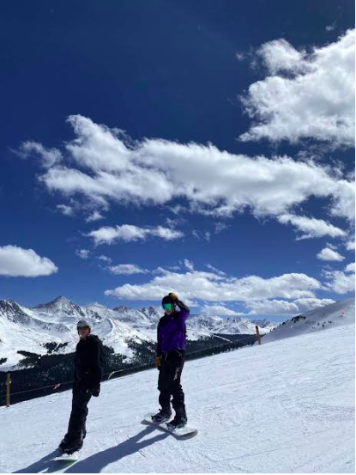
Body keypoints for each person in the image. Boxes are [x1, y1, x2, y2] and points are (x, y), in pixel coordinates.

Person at [59, 320, 104, 454]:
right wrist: (76, 379)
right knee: (76, 408)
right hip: (79, 382)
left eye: (84, 328)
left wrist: (95, 385)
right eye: (80, 329)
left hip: (88, 382)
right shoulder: (81, 344)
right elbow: (78, 364)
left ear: (89, 330)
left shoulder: (95, 343)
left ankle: (76, 439)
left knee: (79, 409)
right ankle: (75, 434)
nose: (82, 331)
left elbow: (99, 364)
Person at [152, 292, 190, 429]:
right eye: (164, 305)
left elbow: (187, 310)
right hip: (165, 356)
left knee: (174, 385)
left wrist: (177, 300)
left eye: (168, 305)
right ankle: (165, 411)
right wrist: (158, 356)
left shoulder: (179, 317)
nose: (166, 308)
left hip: (177, 354)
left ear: (173, 305)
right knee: (162, 385)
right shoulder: (162, 321)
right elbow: (159, 340)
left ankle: (181, 417)